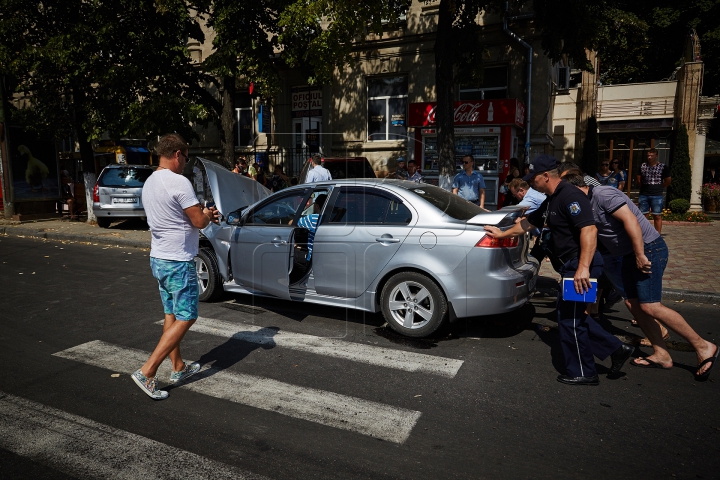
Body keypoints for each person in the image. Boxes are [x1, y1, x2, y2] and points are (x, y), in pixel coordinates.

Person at [484, 154, 633, 385]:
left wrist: (583, 269)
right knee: (571, 316)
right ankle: (616, 349)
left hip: (581, 267)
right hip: (572, 266)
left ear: (546, 176)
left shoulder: (570, 196)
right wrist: (500, 233)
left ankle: (584, 372)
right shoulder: (552, 198)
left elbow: (590, 230)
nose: (531, 182)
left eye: (534, 178)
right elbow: (528, 223)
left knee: (571, 320)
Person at [562, 173, 719, 379]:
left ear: (578, 188)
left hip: (648, 249)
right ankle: (661, 354)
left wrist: (639, 254)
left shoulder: (603, 194)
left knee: (650, 306)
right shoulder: (585, 204)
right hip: (627, 255)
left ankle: (703, 345)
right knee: (633, 304)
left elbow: (632, 221)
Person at [132, 133, 220, 400]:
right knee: (187, 316)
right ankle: (147, 371)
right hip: (178, 260)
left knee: (171, 314)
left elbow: (172, 216)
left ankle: (178, 366)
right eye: (186, 157)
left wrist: (200, 216)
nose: (185, 163)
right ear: (178, 154)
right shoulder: (179, 182)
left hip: (158, 258)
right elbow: (199, 222)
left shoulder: (149, 182)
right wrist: (208, 214)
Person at [636, 148, 671, 234]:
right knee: (643, 215)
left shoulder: (663, 167)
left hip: (657, 195)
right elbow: (639, 180)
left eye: (651, 155)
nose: (649, 157)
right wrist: (645, 187)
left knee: (657, 215)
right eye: (648, 155)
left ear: (656, 156)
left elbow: (668, 181)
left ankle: (657, 234)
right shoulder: (643, 166)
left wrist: (659, 187)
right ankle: (643, 233)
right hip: (644, 194)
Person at [296, 194, 327, 262]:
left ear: (317, 206)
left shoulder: (313, 218)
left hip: (312, 259)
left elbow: (293, 223)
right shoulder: (330, 219)